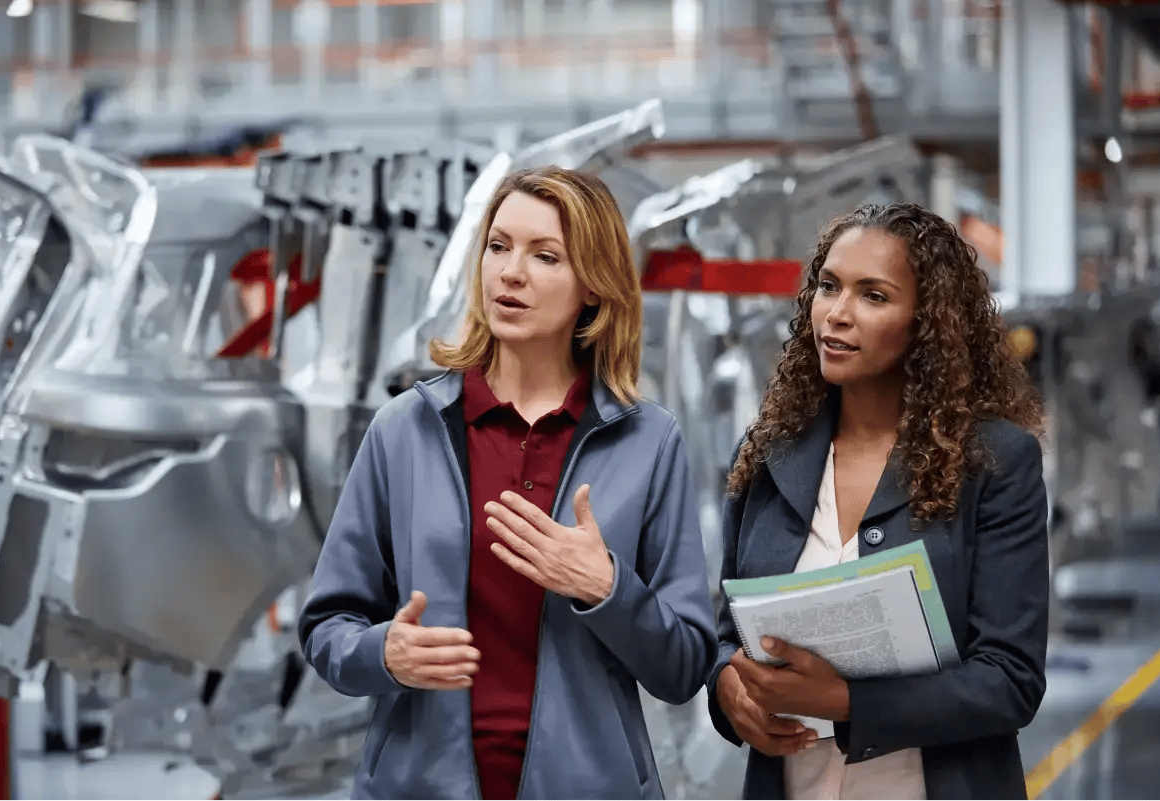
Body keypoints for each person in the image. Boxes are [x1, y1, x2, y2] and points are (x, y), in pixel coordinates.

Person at [298, 165, 717, 800]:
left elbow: (684, 667)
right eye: (498, 246)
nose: (510, 272)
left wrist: (607, 588)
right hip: (420, 788)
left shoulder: (649, 442)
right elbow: (327, 625)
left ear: (595, 289)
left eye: (545, 255)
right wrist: (384, 653)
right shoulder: (403, 430)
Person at [707, 202, 1049, 801]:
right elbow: (724, 632)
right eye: (829, 286)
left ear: (928, 322)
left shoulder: (993, 462)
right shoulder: (767, 455)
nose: (836, 315)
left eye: (873, 296)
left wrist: (844, 703)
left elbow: (1010, 679)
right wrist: (725, 687)